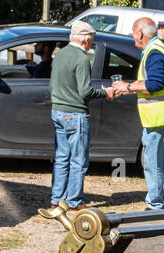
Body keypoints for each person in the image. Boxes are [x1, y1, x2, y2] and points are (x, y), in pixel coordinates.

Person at [109, 17, 164, 210]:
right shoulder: (161, 48)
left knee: (153, 162)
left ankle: (155, 203)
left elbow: (155, 84)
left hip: (159, 117)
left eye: (133, 31)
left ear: (140, 33)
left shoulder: (155, 52)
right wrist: (129, 88)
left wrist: (127, 86)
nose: (132, 36)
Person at [47, 21, 113, 211]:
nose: (91, 41)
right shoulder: (81, 59)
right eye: (91, 38)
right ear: (85, 39)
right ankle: (74, 201)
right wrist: (105, 93)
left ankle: (56, 198)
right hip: (75, 114)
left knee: (61, 158)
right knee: (78, 160)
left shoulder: (59, 55)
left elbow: (53, 86)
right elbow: (85, 91)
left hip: (57, 111)